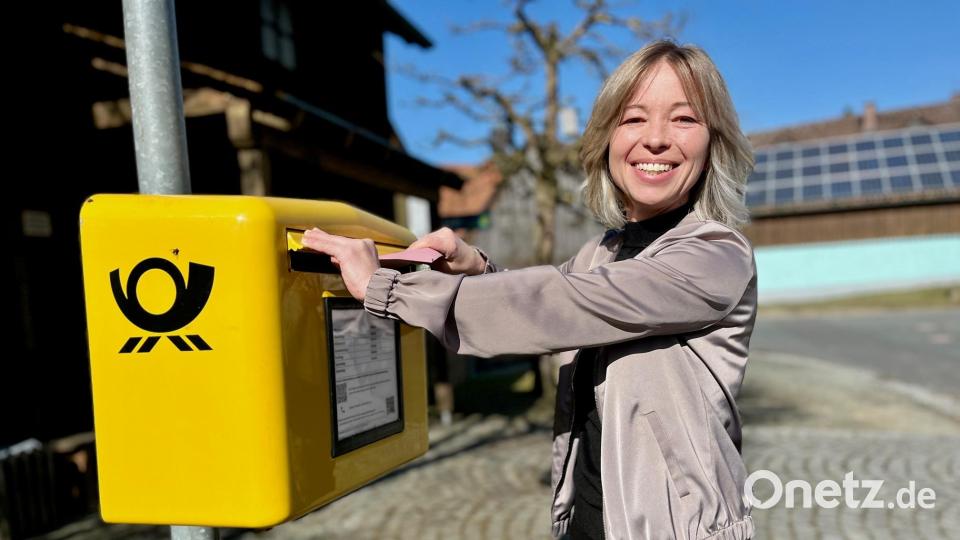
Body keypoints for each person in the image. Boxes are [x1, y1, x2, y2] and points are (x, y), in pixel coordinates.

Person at [302, 39, 757, 540]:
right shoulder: (600, 254)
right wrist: (476, 269)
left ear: (713, 140)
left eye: (684, 119)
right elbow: (558, 308)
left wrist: (387, 290)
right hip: (587, 522)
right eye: (633, 118)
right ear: (607, 138)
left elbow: (565, 304)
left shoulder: (716, 254)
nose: (655, 139)